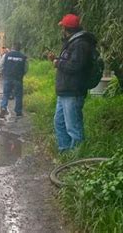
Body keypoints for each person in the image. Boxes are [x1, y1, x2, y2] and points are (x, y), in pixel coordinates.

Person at [48, 13, 96, 152]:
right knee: (59, 123)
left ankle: (77, 158)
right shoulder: (72, 43)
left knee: (73, 127)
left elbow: (75, 66)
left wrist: (57, 63)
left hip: (73, 92)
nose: (61, 30)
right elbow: (70, 62)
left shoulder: (80, 44)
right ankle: (65, 151)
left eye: (62, 27)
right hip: (64, 91)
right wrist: (56, 59)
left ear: (66, 28)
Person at [0, 42, 27, 118]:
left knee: (6, 94)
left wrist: (2, 72)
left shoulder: (7, 55)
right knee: (18, 96)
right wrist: (21, 75)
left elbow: (0, 65)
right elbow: (25, 69)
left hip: (8, 77)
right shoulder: (23, 57)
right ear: (19, 48)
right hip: (18, 79)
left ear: (12, 47)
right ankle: (18, 112)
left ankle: (3, 107)